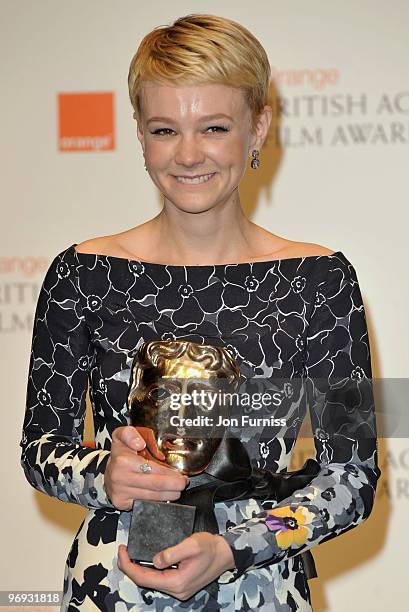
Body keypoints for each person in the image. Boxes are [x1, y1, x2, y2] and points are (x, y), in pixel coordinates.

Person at [19, 13, 380, 612]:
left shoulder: (319, 281)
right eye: (164, 130)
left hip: (258, 587)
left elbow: (353, 478)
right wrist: (103, 473)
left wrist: (238, 546)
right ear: (138, 133)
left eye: (214, 127)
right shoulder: (82, 273)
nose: (188, 155)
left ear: (258, 126)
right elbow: (40, 449)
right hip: (111, 587)